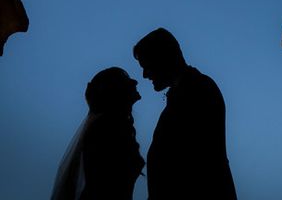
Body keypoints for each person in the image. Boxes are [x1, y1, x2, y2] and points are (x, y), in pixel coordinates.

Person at [133, 28, 237, 199]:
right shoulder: (188, 89)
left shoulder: (198, 89)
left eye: (147, 66)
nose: (145, 75)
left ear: (163, 58)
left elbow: (195, 161)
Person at [51, 67, 145, 200]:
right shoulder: (107, 127)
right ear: (115, 92)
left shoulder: (115, 125)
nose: (135, 82)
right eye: (125, 81)